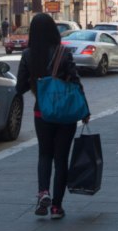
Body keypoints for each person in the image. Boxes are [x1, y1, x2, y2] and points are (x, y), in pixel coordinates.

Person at [14, 13, 88, 220]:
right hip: (65, 114)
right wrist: (85, 110)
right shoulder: (63, 53)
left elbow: (19, 87)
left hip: (42, 112)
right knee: (61, 158)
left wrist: (34, 81)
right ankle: (57, 207)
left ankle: (43, 192)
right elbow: (75, 82)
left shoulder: (28, 55)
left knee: (44, 154)